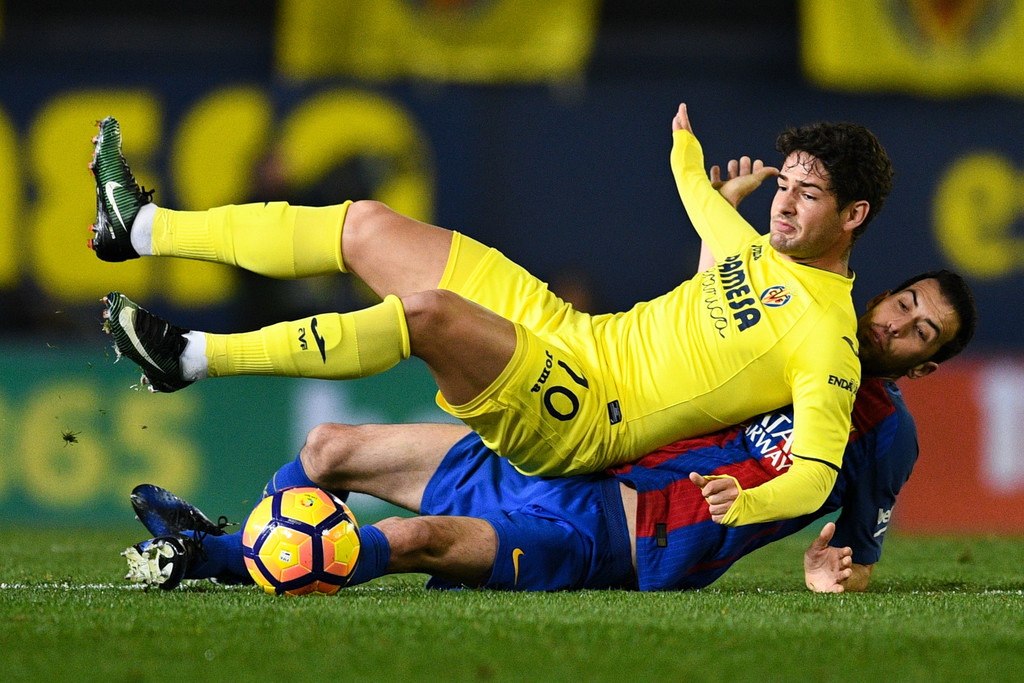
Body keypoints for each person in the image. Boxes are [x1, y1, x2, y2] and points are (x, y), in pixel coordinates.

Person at [91, 102, 896, 526]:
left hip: (586, 416)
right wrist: (687, 149)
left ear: (853, 215)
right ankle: (141, 229)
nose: (783, 205)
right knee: (367, 225)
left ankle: (191, 357)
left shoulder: (826, 336)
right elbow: (697, 196)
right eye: (784, 185)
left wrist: (745, 500)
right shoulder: (753, 246)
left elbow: (817, 470)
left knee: (429, 314)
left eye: (807, 194)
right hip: (568, 334)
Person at [121, 267, 977, 593]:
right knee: (327, 450)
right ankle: (223, 548)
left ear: (927, 362)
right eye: (903, 303)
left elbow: (857, 553)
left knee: (413, 535)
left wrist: (836, 572)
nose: (899, 325)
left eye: (921, 331)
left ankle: (207, 560)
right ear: (878, 297)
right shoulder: (793, 333)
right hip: (577, 461)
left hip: (613, 535)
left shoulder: (880, 432)